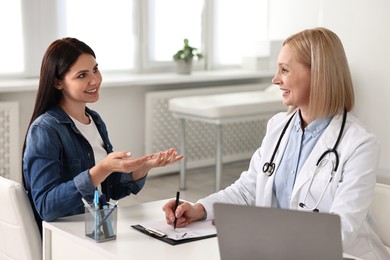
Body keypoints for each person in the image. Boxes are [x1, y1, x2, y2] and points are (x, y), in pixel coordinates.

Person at [163, 27, 389, 259]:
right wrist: (199, 210)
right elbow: (248, 188)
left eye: (285, 70)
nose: (275, 79)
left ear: (318, 74)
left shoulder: (360, 144)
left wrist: (257, 232)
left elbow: (341, 230)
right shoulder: (278, 127)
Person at [23, 37, 183, 233]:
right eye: (82, 75)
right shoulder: (45, 130)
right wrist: (101, 169)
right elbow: (47, 207)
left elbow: (111, 189)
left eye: (95, 69)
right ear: (58, 83)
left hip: (98, 230)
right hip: (66, 236)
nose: (95, 80)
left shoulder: (94, 120)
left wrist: (144, 167)